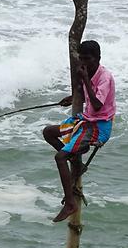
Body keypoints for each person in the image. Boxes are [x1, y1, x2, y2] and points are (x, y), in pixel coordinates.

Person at [42, 39, 116, 223]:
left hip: (98, 126)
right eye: (81, 59)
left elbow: (98, 105)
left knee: (60, 157)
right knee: (48, 132)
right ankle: (75, 156)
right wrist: (73, 97)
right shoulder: (87, 72)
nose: (84, 63)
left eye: (87, 59)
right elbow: (86, 96)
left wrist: (84, 79)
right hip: (85, 120)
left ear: (97, 58)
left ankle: (70, 203)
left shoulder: (104, 77)